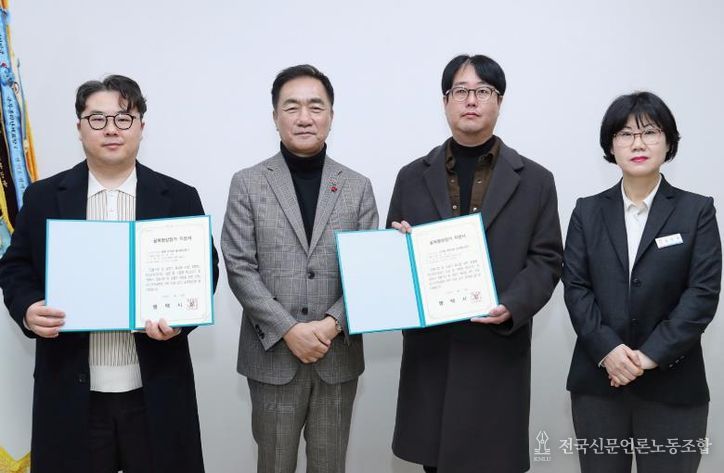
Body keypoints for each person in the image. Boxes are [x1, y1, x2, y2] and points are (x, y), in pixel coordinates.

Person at [0, 75, 219, 473]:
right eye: (97, 119)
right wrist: (29, 309)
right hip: (70, 392)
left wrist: (180, 320)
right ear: (79, 127)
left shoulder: (178, 197)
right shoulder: (44, 197)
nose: (112, 129)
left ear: (141, 126)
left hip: (155, 389)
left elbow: (206, 268)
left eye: (124, 117)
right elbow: (15, 267)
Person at [387, 54, 563, 473]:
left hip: (496, 349)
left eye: (483, 91)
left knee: (493, 461)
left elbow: (547, 258)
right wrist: (398, 250)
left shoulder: (536, 179)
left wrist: (512, 306)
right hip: (432, 352)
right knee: (434, 461)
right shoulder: (411, 176)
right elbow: (392, 261)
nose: (471, 100)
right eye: (461, 91)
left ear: (499, 101)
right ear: (445, 101)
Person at [221, 64, 378, 473]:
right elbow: (239, 266)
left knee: (330, 466)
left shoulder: (358, 186)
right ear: (275, 116)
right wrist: (289, 330)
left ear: (331, 115)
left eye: (315, 106)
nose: (304, 117)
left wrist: (330, 325)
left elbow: (368, 272)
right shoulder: (248, 182)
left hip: (336, 356)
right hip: (273, 357)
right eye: (292, 107)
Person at [563, 91, 720, 473]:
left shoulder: (697, 210)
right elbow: (577, 288)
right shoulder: (587, 211)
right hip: (600, 383)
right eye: (625, 134)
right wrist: (610, 351)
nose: (637, 143)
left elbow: (702, 294)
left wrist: (647, 357)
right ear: (610, 146)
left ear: (668, 142)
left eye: (649, 132)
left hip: (673, 384)